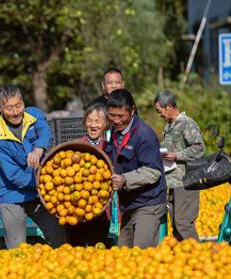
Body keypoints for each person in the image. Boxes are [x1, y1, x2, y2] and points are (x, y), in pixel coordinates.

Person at [0, 84, 67, 249]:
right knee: (18, 247)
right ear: (0, 108)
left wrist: (38, 149)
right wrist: (45, 183)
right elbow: (14, 176)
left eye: (18, 106)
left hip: (38, 190)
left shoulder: (33, 115)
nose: (16, 112)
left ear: (23, 103)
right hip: (11, 193)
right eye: (9, 108)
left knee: (58, 233)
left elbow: (44, 131)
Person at [104, 89, 167, 249]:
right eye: (112, 115)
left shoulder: (144, 135)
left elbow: (153, 171)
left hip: (148, 203)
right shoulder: (115, 133)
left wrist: (125, 179)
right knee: (124, 252)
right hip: (129, 205)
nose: (116, 120)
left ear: (132, 111)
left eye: (120, 116)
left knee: (141, 251)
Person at [154, 90, 205, 241]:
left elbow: (199, 148)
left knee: (183, 223)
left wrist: (177, 155)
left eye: (160, 111)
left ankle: (197, 257)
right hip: (174, 181)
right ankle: (183, 259)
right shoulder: (170, 126)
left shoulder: (186, 123)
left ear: (168, 107)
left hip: (186, 181)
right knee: (176, 224)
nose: (159, 115)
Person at [66, 103, 112, 247]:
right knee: (76, 249)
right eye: (90, 120)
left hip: (100, 210)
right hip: (75, 210)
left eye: (98, 121)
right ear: (85, 122)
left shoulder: (109, 148)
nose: (93, 125)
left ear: (105, 124)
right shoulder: (75, 146)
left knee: (97, 249)